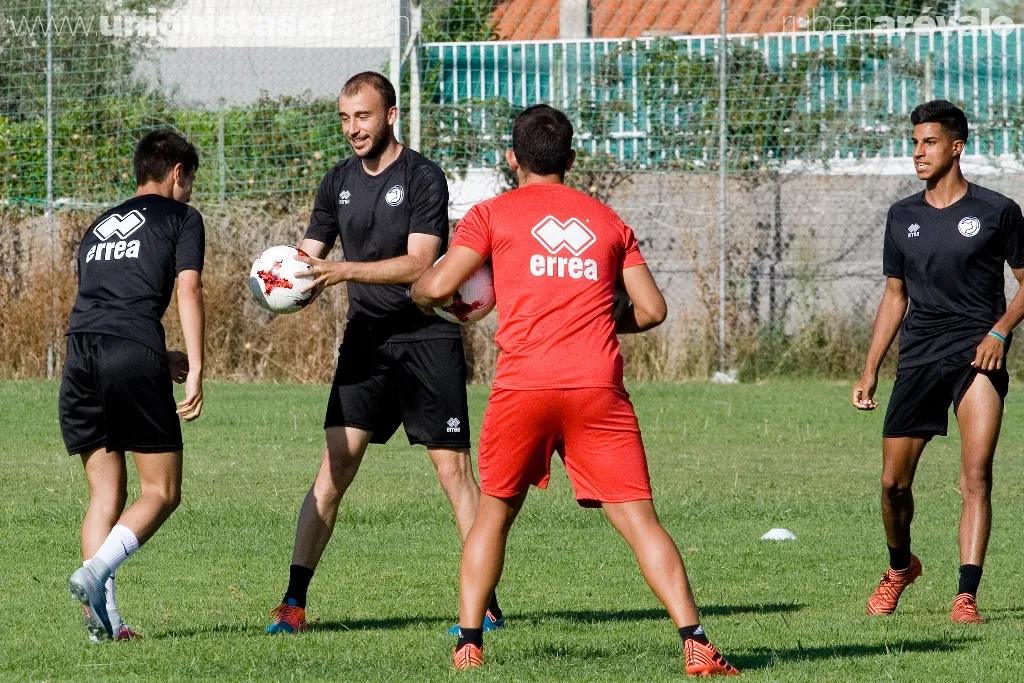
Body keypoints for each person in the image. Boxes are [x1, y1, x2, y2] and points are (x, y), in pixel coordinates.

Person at [411, 104, 738, 676]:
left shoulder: (490, 215)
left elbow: (438, 284)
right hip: (596, 386)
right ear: (571, 158)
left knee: (493, 513)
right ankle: (696, 641)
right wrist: (597, 320)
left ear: (512, 159)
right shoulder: (609, 223)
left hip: (524, 387)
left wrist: (425, 295)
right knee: (640, 520)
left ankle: (468, 643)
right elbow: (653, 310)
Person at [265, 71, 502, 635]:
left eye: (363, 117)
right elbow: (309, 256)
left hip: (427, 338)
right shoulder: (336, 181)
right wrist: (278, 279)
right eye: (345, 119)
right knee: (333, 470)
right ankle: (293, 605)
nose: (353, 129)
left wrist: (340, 271)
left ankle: (485, 607)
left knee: (453, 472)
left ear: (390, 115)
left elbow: (421, 262)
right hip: (366, 342)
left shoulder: (423, 177)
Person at [853, 99, 1024, 623]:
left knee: (975, 477)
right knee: (892, 485)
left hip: (978, 355)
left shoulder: (998, 211)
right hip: (920, 355)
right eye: (913, 143)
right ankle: (900, 567)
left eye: (929, 143)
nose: (918, 153)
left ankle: (965, 596)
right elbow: (894, 296)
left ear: (957, 146)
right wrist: (869, 367)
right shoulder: (902, 215)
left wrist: (1000, 330)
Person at [63, 129, 206, 642]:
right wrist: (196, 366)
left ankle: (107, 625)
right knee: (162, 491)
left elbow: (105, 301)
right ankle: (96, 572)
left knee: (104, 495)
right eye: (189, 181)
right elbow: (188, 288)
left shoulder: (100, 225)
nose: (190, 192)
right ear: (175, 174)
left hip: (80, 352)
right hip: (130, 350)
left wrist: (156, 355)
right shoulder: (183, 218)